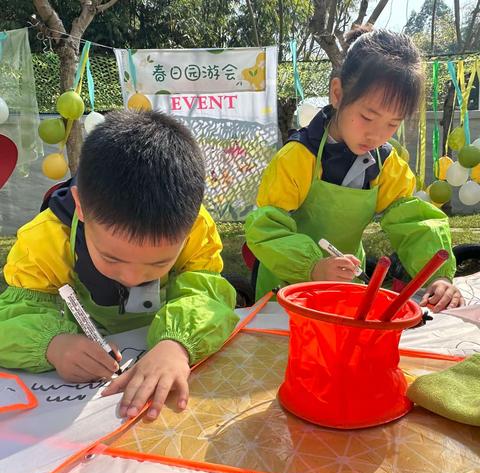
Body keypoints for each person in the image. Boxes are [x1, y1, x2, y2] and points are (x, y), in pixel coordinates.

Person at [0, 110, 239, 419]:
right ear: (82, 207)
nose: (132, 277)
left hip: (158, 349)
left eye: (159, 263)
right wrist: (53, 345)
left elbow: (207, 296)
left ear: (191, 222)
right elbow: (14, 317)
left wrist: (177, 345)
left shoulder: (194, 227)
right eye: (112, 258)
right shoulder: (45, 239)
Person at [245, 28, 464, 313]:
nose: (376, 135)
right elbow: (266, 228)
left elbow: (414, 221)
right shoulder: (298, 157)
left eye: (392, 124)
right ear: (337, 94)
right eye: (367, 117)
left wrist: (439, 275)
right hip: (287, 287)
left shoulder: (386, 163)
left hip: (347, 284)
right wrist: (312, 266)